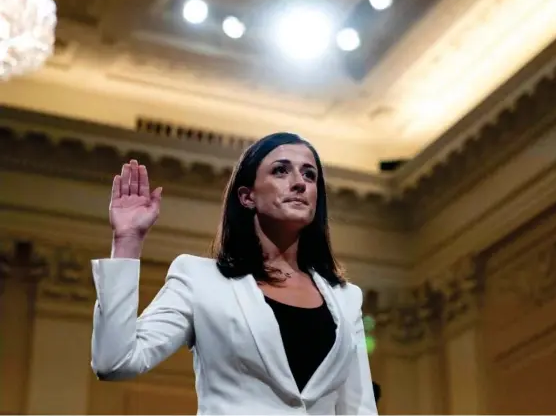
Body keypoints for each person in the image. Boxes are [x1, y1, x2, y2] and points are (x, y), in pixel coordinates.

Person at [90, 132, 378, 415]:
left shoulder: (346, 298)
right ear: (246, 196)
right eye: (281, 170)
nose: (299, 183)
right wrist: (127, 239)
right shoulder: (199, 279)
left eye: (309, 175)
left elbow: (359, 409)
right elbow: (115, 361)